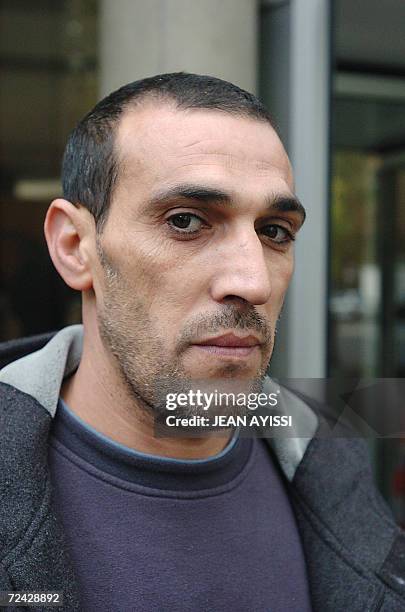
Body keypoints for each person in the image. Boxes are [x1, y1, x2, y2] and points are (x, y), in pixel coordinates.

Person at [0, 73, 404, 612]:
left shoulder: (329, 459)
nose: (253, 281)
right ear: (76, 247)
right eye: (187, 221)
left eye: (275, 231)